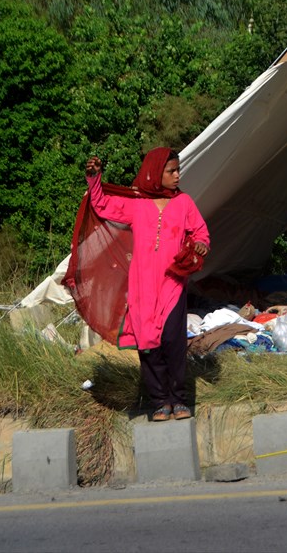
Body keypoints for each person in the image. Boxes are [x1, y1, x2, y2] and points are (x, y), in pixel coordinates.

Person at [84, 148, 210, 421]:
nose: (177, 175)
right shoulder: (137, 204)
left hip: (172, 284)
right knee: (149, 344)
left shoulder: (184, 203)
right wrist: (94, 179)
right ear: (155, 173)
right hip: (142, 287)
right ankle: (159, 402)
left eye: (178, 170)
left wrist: (200, 244)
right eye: (171, 171)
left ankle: (178, 399)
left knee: (173, 341)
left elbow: (200, 231)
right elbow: (103, 205)